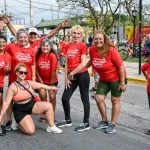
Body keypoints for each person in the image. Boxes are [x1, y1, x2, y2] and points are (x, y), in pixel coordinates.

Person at [0, 63, 62, 135]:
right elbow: (7, 102)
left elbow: (41, 85)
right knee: (30, 131)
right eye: (21, 72)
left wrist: (53, 87)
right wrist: (1, 115)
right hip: (20, 110)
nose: (23, 74)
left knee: (49, 106)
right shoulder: (13, 87)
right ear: (16, 72)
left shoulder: (28, 83)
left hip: (31, 105)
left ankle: (51, 127)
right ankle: (17, 121)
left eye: (25, 73)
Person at [86, 30, 126, 134]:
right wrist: (83, 68)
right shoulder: (92, 49)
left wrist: (122, 82)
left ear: (104, 39)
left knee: (115, 100)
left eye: (100, 39)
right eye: (96, 39)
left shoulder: (111, 50)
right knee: (99, 98)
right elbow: (92, 60)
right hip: (104, 78)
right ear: (93, 40)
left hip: (116, 78)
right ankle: (104, 121)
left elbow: (121, 66)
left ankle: (112, 124)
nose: (98, 41)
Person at [57, 25, 90, 132]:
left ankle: (86, 122)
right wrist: (66, 77)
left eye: (78, 33)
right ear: (71, 34)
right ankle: (67, 120)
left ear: (81, 35)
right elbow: (66, 63)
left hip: (82, 75)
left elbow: (83, 63)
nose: (76, 35)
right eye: (74, 33)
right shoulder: (67, 46)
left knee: (84, 99)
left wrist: (72, 74)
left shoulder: (83, 46)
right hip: (71, 75)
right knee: (65, 98)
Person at [3, 28, 36, 131]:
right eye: (20, 37)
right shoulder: (11, 47)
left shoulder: (31, 50)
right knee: (10, 101)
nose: (23, 39)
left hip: (27, 81)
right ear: (17, 38)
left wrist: (34, 77)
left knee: (24, 101)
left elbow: (33, 64)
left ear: (28, 38)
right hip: (14, 80)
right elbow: (2, 51)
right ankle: (9, 120)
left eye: (25, 37)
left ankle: (21, 119)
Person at [36, 39, 58, 122]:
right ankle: (44, 113)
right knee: (42, 95)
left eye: (47, 46)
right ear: (41, 47)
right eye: (43, 45)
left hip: (52, 80)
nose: (45, 47)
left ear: (50, 47)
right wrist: (40, 80)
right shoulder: (38, 55)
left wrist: (51, 84)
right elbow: (35, 69)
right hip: (41, 80)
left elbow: (53, 70)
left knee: (52, 96)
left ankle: (52, 113)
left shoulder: (52, 55)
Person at [0, 35, 11, 136]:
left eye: (3, 42)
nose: (1, 44)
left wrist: (8, 70)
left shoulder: (7, 56)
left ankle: (1, 125)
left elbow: (9, 71)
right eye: (0, 42)